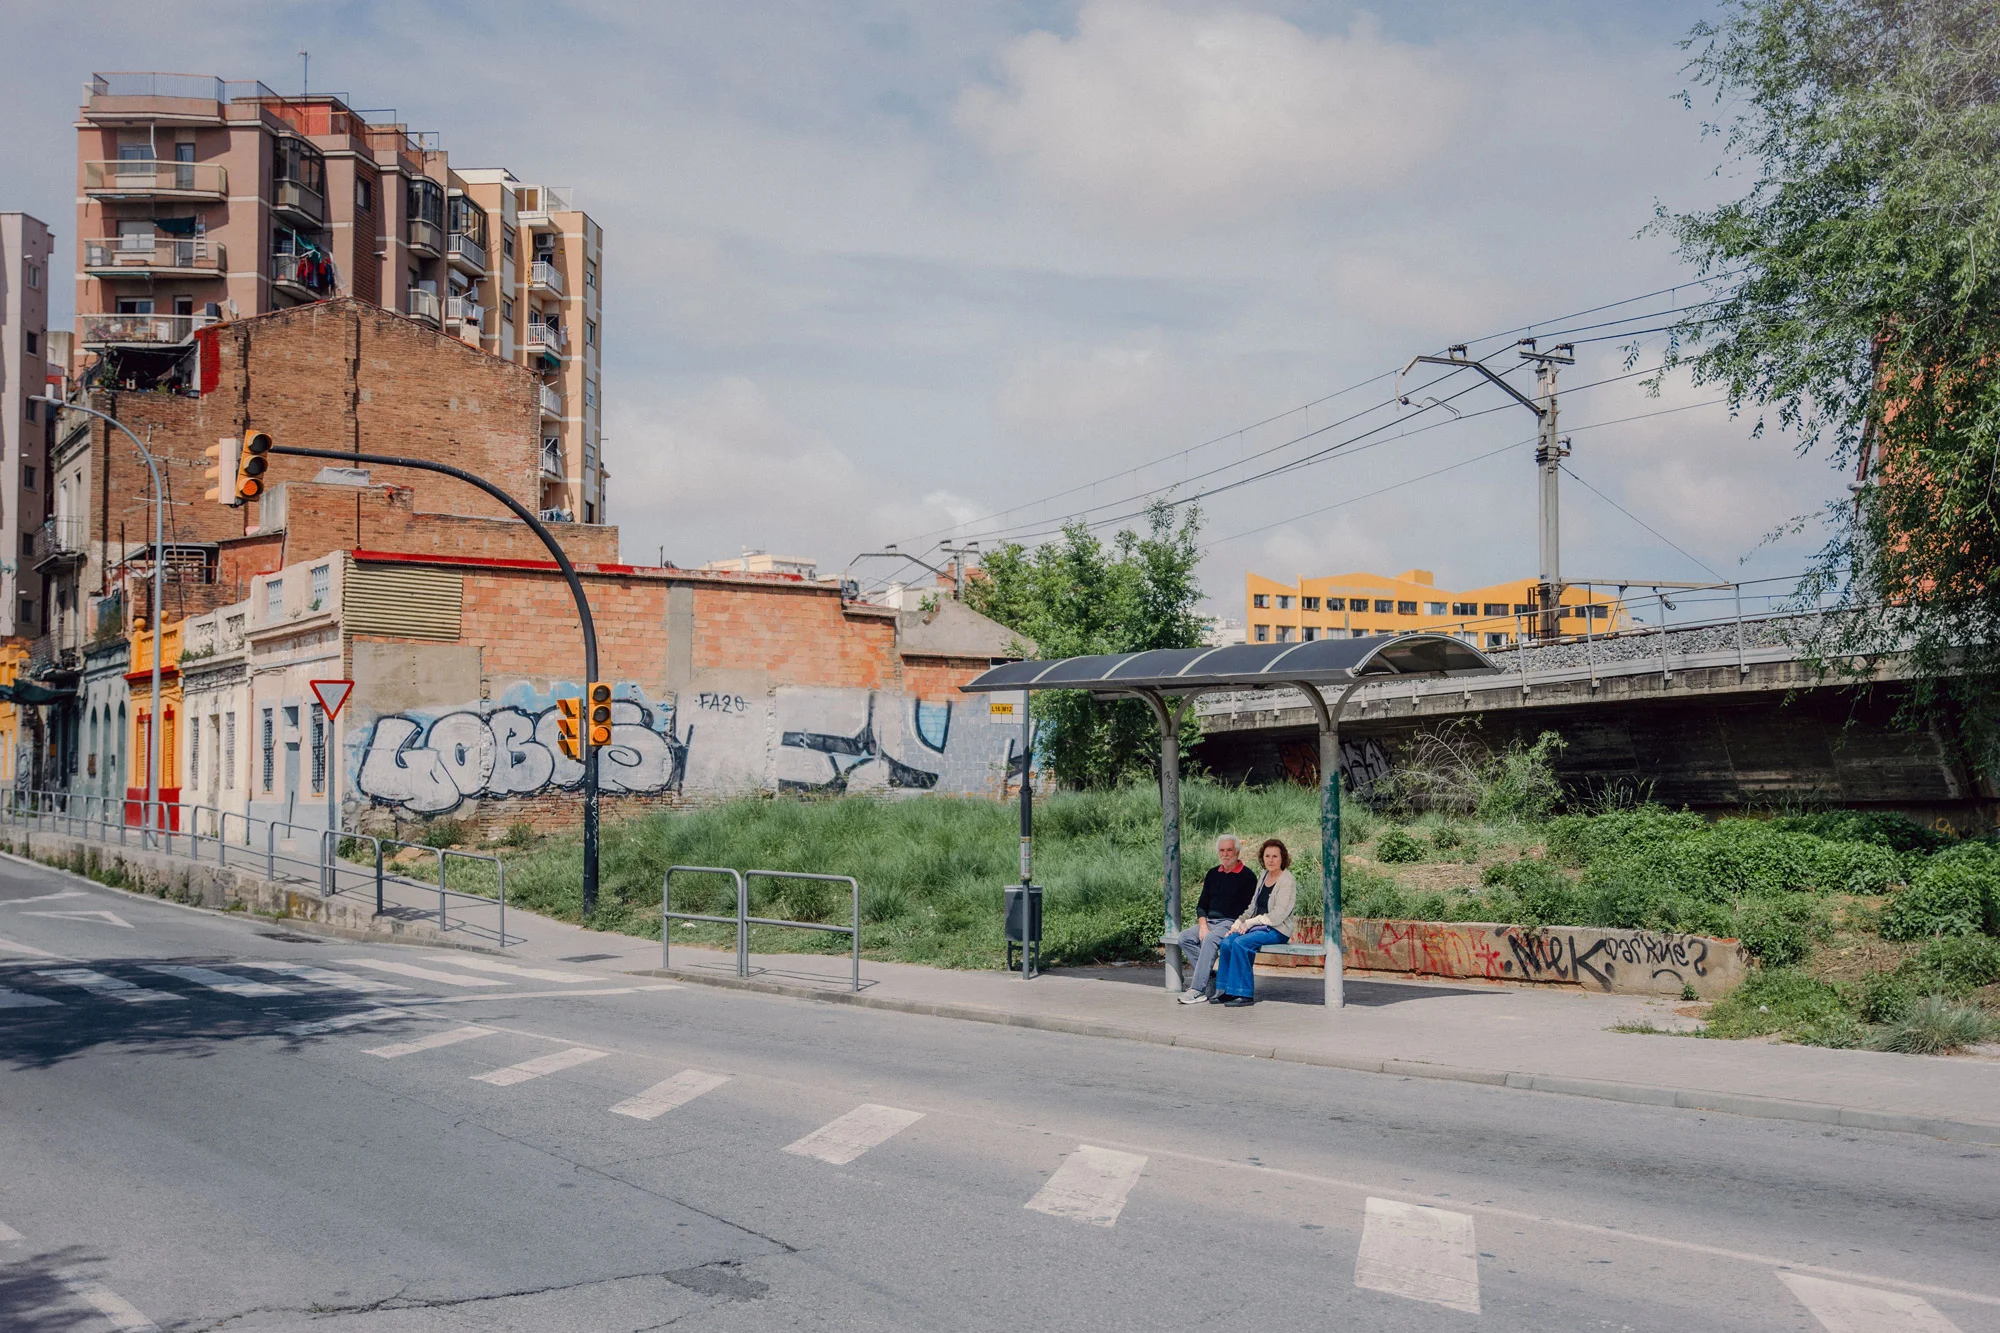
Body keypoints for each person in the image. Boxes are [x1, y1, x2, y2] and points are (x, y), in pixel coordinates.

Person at [1213, 838, 1297, 1008]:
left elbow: (1278, 916)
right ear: (1262, 858)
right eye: (1267, 856)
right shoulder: (1263, 876)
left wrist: (1250, 923)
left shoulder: (1287, 880)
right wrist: (1237, 924)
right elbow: (1252, 906)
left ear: (1283, 858)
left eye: (1275, 856)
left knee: (1241, 943)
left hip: (1276, 929)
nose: (1271, 860)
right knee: (1228, 942)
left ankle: (1244, 993)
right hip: (1257, 926)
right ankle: (1228, 990)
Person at [1175, 834, 1258, 1004]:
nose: (1225, 854)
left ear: (1237, 852)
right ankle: (1210, 976)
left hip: (1231, 922)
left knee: (1210, 940)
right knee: (1184, 938)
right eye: (1222, 850)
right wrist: (1203, 925)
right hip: (1210, 922)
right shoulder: (1213, 874)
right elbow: (1201, 905)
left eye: (1229, 850)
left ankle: (1197, 989)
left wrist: (1238, 925)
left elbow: (1251, 909)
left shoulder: (1248, 876)